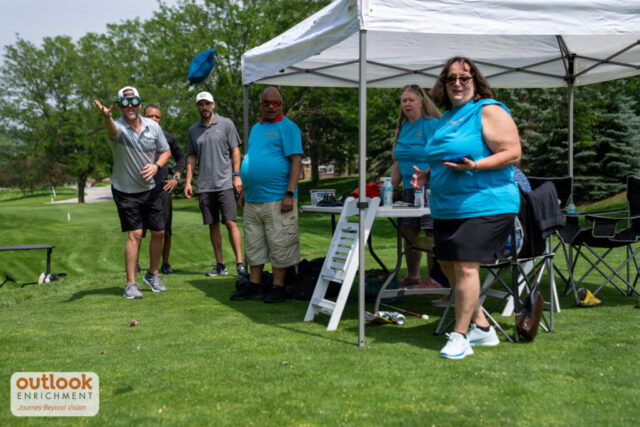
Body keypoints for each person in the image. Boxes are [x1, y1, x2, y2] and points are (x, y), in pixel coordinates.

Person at [412, 57, 521, 359]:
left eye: (464, 78)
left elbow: (512, 152)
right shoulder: (447, 117)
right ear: (443, 84)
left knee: (464, 265)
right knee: (448, 265)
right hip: (448, 206)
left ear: (475, 81)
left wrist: (476, 166)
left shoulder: (487, 110)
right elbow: (447, 157)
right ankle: (483, 328)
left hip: (487, 201)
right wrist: (429, 173)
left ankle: (460, 337)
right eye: (451, 79)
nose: (457, 84)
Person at [94, 86, 171, 299]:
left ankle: (153, 275)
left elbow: (166, 151)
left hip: (150, 188)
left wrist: (156, 166)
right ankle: (130, 284)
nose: (130, 106)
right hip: (125, 190)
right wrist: (107, 118)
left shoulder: (152, 127)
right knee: (135, 234)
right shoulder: (116, 127)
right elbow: (111, 131)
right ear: (119, 106)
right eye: (125, 102)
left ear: (139, 103)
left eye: (134, 101)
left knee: (159, 232)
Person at [230, 87, 303, 303]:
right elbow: (252, 158)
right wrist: (244, 190)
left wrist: (290, 193)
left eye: (276, 103)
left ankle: (279, 286)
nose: (271, 106)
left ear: (281, 105)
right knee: (254, 244)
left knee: (280, 243)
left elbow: (296, 161)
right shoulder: (256, 128)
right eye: (266, 103)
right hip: (253, 199)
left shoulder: (288, 128)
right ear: (260, 104)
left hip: (279, 199)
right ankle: (255, 284)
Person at [184, 91, 247, 278]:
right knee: (212, 225)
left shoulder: (226, 124)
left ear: (213, 105)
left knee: (230, 222)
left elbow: (235, 151)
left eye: (207, 103)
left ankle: (240, 263)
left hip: (225, 182)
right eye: (201, 104)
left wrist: (237, 175)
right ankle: (220, 265)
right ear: (197, 107)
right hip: (205, 185)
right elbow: (191, 157)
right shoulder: (193, 130)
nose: (204, 107)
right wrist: (188, 182)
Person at [390, 84, 442, 289]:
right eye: (404, 100)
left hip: (430, 187)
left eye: (411, 99)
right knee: (409, 232)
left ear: (422, 102)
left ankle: (434, 279)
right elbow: (398, 161)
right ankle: (413, 276)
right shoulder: (403, 127)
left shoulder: (431, 124)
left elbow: (441, 155)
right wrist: (389, 186)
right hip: (409, 190)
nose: (407, 104)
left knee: (431, 233)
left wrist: (426, 173)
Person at [135, 104, 185, 275]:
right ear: (143, 116)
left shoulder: (168, 138)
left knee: (165, 230)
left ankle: (165, 263)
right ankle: (134, 263)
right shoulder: (135, 137)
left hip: (162, 190)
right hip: (140, 189)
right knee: (138, 230)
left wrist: (176, 178)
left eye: (157, 117)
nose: (154, 120)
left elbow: (181, 158)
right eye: (150, 116)